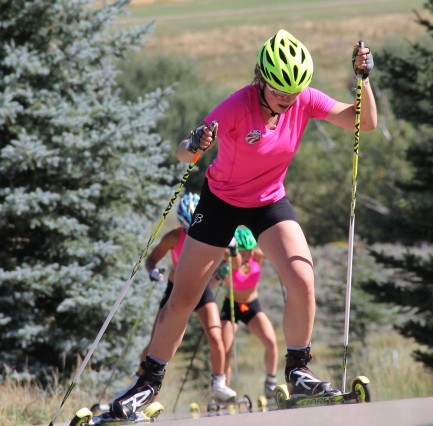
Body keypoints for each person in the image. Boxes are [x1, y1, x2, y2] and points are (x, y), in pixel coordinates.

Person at [110, 29, 376, 419]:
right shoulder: (236, 107)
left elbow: (363, 122)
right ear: (261, 80)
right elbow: (184, 152)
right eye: (280, 91)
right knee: (182, 298)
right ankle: (146, 385)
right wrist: (197, 142)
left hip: (269, 202)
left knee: (302, 278)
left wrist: (363, 81)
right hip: (220, 203)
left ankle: (299, 370)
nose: (288, 100)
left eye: (295, 91)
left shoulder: (303, 99)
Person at [133, 192, 236, 403]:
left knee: (215, 336)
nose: (192, 234)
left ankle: (219, 383)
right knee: (156, 343)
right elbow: (151, 260)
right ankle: (138, 384)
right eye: (188, 230)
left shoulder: (211, 231)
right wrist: (152, 271)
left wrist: (230, 253)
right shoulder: (173, 237)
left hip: (201, 288)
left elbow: (229, 257)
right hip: (175, 289)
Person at [211, 227, 279, 398]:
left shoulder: (257, 255)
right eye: (243, 252)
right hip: (232, 306)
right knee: (225, 350)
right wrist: (220, 274)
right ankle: (223, 391)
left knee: (271, 341)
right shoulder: (227, 258)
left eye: (249, 251)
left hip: (251, 306)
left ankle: (270, 384)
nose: (247, 256)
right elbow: (209, 285)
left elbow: (278, 252)